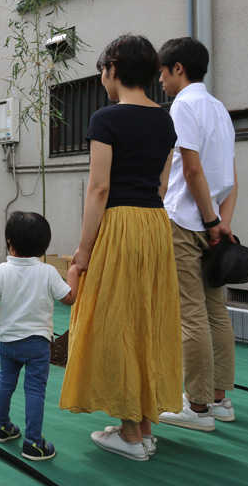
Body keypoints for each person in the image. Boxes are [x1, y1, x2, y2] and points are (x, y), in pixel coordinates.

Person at [59, 34, 182, 462]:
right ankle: (144, 425)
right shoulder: (166, 121)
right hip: (154, 224)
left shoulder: (106, 118)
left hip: (121, 224)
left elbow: (99, 188)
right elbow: (163, 185)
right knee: (147, 315)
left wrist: (83, 250)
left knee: (118, 318)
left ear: (112, 68)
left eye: (101, 72)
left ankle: (130, 435)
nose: (102, 81)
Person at [157, 37, 239, 431]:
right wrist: (222, 222)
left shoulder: (183, 106)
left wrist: (208, 222)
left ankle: (198, 407)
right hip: (212, 224)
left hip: (187, 223)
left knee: (190, 313)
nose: (160, 80)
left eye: (162, 71)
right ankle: (221, 400)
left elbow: (191, 170)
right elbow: (231, 175)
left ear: (178, 69)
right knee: (215, 309)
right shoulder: (219, 109)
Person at [0, 211, 78, 461]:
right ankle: (33, 442)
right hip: (37, 345)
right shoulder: (47, 272)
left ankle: (1, 426)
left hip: (8, 342)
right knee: (35, 391)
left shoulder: (1, 270)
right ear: (43, 246)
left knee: (5, 383)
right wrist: (74, 273)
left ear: (9, 243)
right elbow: (69, 299)